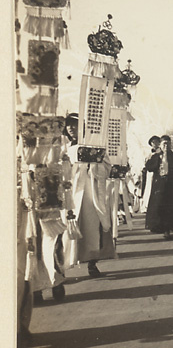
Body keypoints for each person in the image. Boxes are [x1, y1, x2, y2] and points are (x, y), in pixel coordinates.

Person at [63, 113, 115, 277]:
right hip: (72, 191)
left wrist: (92, 164)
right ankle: (65, 264)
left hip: (90, 191)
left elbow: (107, 166)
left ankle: (92, 264)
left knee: (92, 227)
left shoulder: (94, 145)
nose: (71, 128)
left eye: (74, 125)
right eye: (68, 125)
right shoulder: (66, 148)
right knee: (69, 226)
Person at [144, 135, 173, 239]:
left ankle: (168, 229)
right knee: (159, 206)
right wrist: (154, 159)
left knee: (170, 207)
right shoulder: (156, 156)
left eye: (168, 144)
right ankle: (158, 227)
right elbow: (149, 167)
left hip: (171, 184)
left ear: (171, 145)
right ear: (160, 145)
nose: (166, 146)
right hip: (159, 184)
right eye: (164, 144)